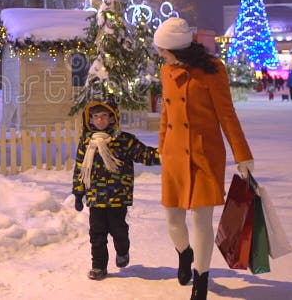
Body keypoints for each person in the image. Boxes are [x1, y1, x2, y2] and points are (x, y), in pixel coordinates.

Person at [153, 17, 255, 300]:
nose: (159, 53)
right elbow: (166, 114)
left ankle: (201, 277)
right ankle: (184, 254)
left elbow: (227, 115)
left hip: (204, 154)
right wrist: (162, 147)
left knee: (201, 219)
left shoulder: (212, 71)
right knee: (173, 220)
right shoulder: (166, 71)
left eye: (162, 48)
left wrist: (242, 154)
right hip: (174, 154)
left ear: (174, 48)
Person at [71, 100, 160, 281]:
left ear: (112, 118)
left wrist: (165, 153)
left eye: (104, 116)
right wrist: (78, 193)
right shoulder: (87, 143)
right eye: (96, 117)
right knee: (97, 233)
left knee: (118, 229)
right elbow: (81, 168)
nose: (100, 120)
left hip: (118, 196)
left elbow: (144, 154)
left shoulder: (124, 140)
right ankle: (98, 266)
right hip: (95, 197)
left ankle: (122, 251)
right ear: (91, 119)